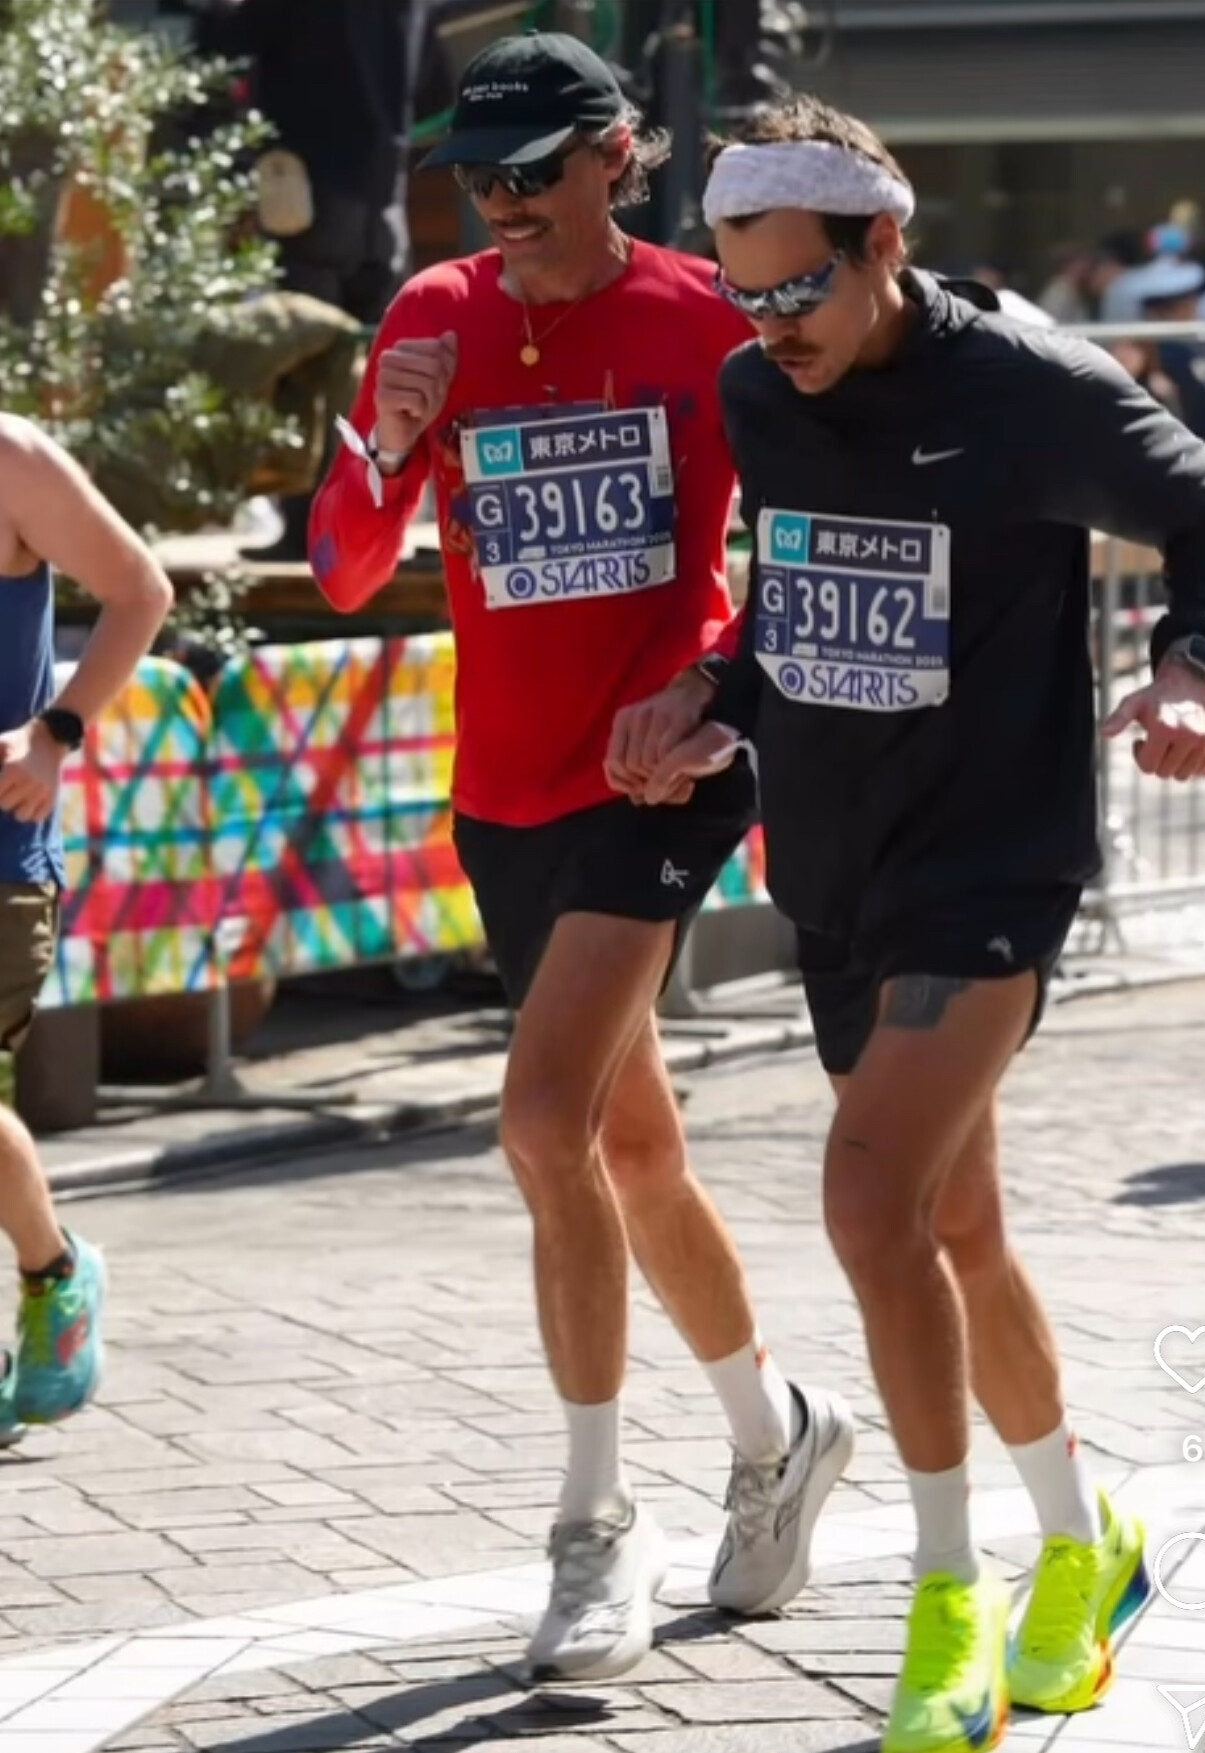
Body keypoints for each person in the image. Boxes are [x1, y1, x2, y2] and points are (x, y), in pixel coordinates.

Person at [608, 96, 1205, 1753]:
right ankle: (1085, 1540)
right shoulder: (758, 392)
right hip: (837, 865)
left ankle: (946, 1594)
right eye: (742, 293)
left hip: (994, 865)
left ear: (881, 243)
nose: (770, 326)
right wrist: (710, 698)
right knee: (955, 1226)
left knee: (863, 1197)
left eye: (798, 289)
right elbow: (792, 594)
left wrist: (1192, 670)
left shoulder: (1026, 388)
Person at [308, 33, 855, 1684]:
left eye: (533, 170)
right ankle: (778, 1433)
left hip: (659, 777)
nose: (500, 201)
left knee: (543, 1123)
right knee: (632, 1150)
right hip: (504, 793)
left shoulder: (707, 320)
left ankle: (592, 1526)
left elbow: (810, 543)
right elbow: (344, 572)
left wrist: (715, 691)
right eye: (477, 176)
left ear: (617, 156)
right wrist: (387, 448)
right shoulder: (433, 314)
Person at [0, 416, 174, 1445]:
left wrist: (55, 733)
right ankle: (51, 1269)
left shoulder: (11, 459)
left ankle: (54, 1278)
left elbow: (140, 589)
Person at [181, 0, 436, 559]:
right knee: (378, 371)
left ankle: (308, 531)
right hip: (385, 195)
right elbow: (433, 80)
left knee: (306, 370)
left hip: (310, 189)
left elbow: (229, 42)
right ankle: (377, 528)